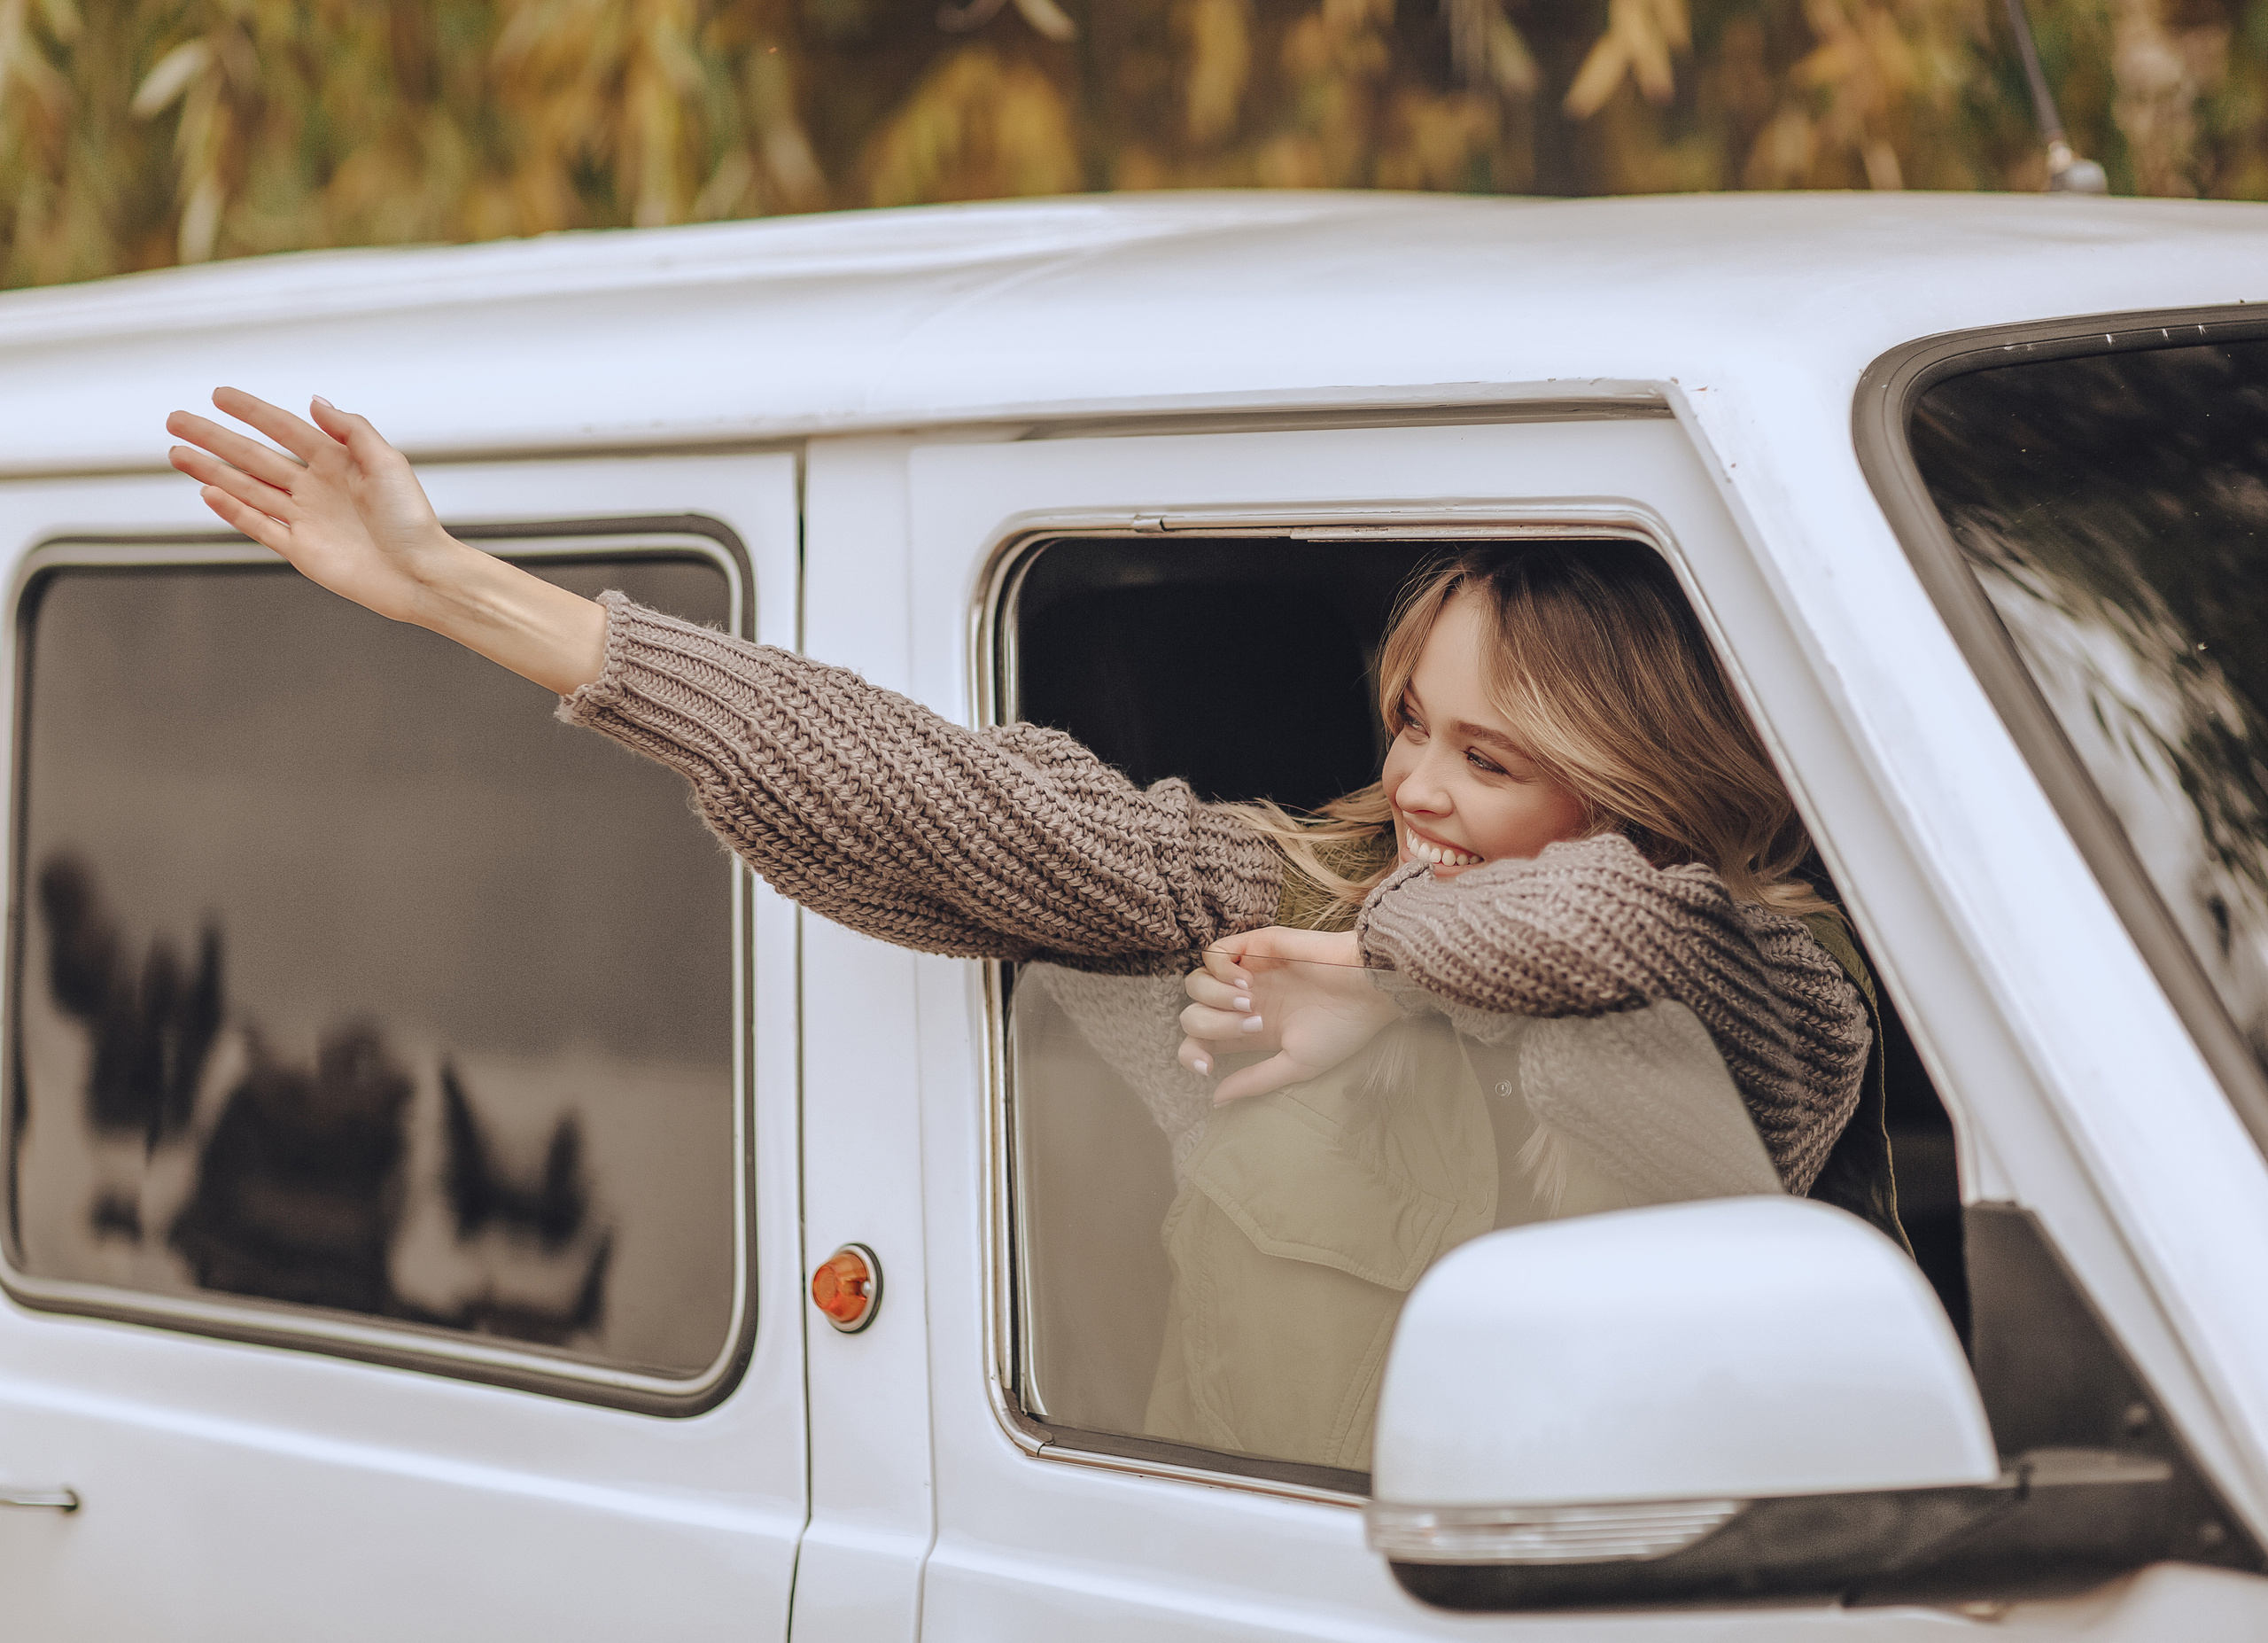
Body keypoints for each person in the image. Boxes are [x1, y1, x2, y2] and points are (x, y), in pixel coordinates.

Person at [165, 387, 1891, 1471]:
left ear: (1633, 777)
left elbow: (1624, 931)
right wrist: (455, 589)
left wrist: (1381, 982)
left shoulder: (1773, 984)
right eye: (1408, 721)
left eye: (1487, 760)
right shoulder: (1285, 897)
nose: (1411, 785)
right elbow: (927, 795)